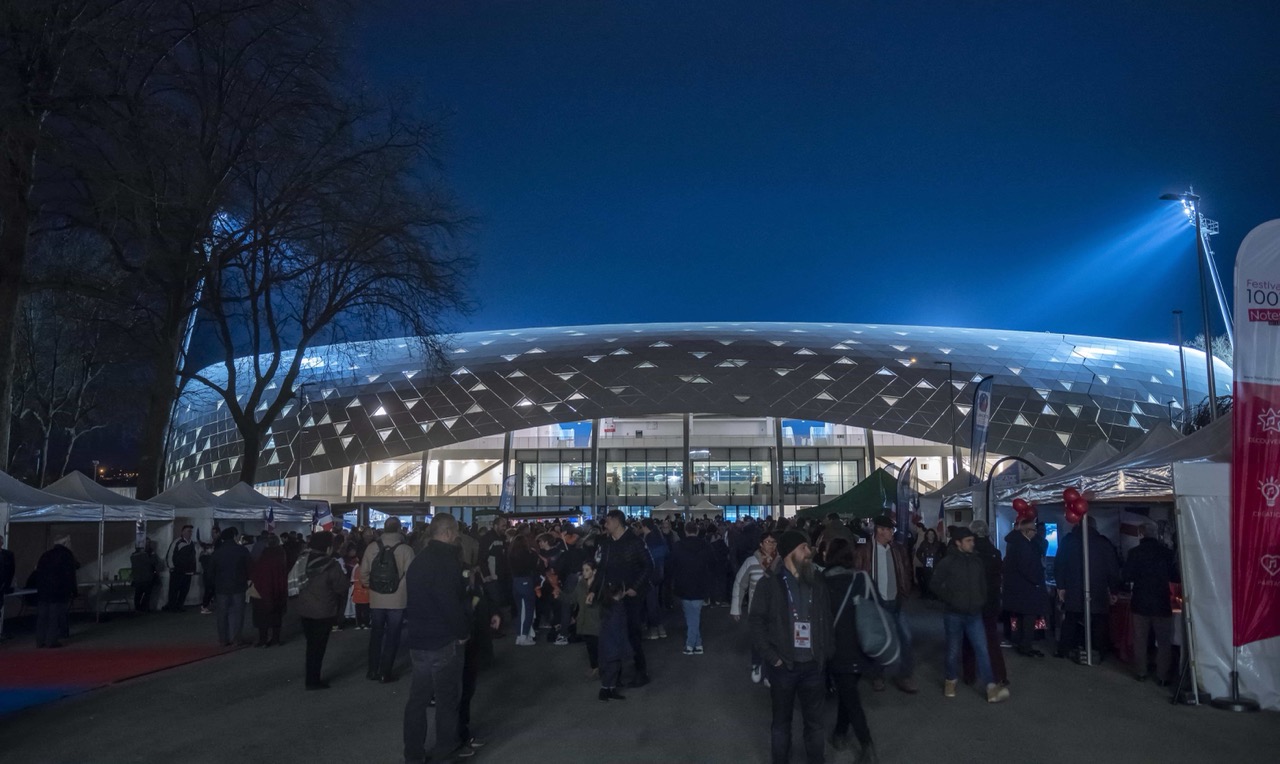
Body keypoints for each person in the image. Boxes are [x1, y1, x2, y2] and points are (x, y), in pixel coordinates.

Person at [750, 530, 833, 764]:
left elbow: (827, 618)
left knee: (815, 725)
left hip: (813, 666)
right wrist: (771, 657)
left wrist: (826, 653)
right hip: (783, 666)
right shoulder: (770, 585)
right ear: (789, 553)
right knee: (781, 724)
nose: (809, 552)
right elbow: (756, 622)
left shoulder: (817, 583)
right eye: (803, 548)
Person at [403, 514, 474, 763]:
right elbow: (450, 604)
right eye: (455, 532)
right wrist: (463, 632)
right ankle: (446, 748)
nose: (457, 537)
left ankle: (413, 753)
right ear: (446, 532)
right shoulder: (446, 562)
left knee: (418, 700)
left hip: (418, 639)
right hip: (442, 641)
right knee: (447, 700)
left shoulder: (419, 560)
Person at [932, 527, 1010, 703]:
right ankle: (950, 681)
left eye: (972, 540)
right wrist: (950, 598)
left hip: (974, 613)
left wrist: (980, 600)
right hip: (954, 614)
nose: (972, 543)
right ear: (958, 543)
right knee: (953, 649)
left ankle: (991, 688)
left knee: (982, 649)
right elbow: (935, 584)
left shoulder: (976, 561)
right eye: (968, 541)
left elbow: (982, 583)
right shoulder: (948, 562)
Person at [822, 538, 877, 764]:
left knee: (851, 696)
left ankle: (867, 745)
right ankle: (840, 733)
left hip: (837, 648)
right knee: (849, 690)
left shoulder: (822, 582)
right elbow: (877, 607)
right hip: (863, 645)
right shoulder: (862, 578)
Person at [852, 515, 918, 693]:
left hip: (895, 600)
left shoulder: (897, 550)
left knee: (906, 638)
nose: (892, 533)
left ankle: (904, 675)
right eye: (889, 530)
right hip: (875, 602)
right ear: (880, 530)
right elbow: (858, 575)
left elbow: (905, 571)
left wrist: (904, 591)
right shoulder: (864, 551)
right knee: (877, 640)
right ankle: (877, 675)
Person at [592, 509, 652, 687]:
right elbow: (601, 568)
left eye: (608, 521)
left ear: (617, 521)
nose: (605, 524)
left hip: (631, 596)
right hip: (612, 595)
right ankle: (614, 674)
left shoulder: (634, 542)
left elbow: (648, 566)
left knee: (633, 633)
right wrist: (594, 591)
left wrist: (635, 587)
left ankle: (640, 672)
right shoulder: (607, 543)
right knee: (613, 634)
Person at [1055, 516, 1120, 662]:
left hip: (1073, 588)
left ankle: (1064, 649)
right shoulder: (1103, 543)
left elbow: (1059, 565)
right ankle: (1098, 652)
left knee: (1071, 620)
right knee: (1098, 622)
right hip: (1098, 590)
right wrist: (1114, 590)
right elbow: (1112, 569)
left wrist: (1061, 586)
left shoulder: (1067, 541)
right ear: (1094, 525)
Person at [1123, 522, 1178, 684]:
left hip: (1140, 602)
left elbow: (1126, 576)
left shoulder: (1134, 553)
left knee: (1140, 639)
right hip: (1161, 602)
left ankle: (1141, 672)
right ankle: (1162, 675)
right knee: (1163, 641)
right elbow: (1175, 577)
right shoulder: (1167, 553)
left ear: (1142, 533)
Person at [361, 517, 415, 682]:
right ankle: (385, 672)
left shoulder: (372, 547)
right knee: (393, 635)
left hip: (376, 599)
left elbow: (363, 573)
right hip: (397, 600)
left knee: (376, 634)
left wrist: (371, 586)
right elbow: (411, 575)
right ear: (399, 529)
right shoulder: (406, 549)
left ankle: (372, 669)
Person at [293, 531, 347, 689]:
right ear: (328, 547)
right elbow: (341, 587)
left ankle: (311, 677)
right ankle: (313, 680)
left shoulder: (301, 560)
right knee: (318, 647)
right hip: (323, 611)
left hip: (304, 609)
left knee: (311, 645)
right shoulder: (330, 565)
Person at [961, 521, 1008, 687]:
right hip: (992, 602)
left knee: (969, 640)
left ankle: (969, 675)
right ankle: (999, 674)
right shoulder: (995, 552)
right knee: (991, 639)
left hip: (973, 602)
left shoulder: (971, 553)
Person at [732, 532, 778, 684]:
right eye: (767, 541)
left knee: (774, 640)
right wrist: (736, 608)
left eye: (773, 541)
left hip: (776, 610)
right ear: (761, 543)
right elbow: (740, 583)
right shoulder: (751, 562)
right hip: (756, 610)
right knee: (758, 639)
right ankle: (757, 664)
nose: (770, 544)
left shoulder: (781, 562)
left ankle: (768, 671)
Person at [668, 521, 716, 655]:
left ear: (685, 531)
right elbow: (713, 563)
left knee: (691, 615)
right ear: (697, 530)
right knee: (694, 614)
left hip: (683, 584)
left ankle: (691, 644)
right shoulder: (706, 545)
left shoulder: (678, 546)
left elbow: (671, 564)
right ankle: (697, 643)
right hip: (701, 584)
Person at [1002, 516, 1047, 657]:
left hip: (1018, 589)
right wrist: (1037, 581)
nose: (1036, 533)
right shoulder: (1024, 546)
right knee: (1029, 618)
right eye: (1034, 530)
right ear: (1027, 531)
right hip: (1027, 589)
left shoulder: (1016, 544)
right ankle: (1026, 645)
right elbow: (1027, 568)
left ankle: (1021, 643)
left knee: (1021, 618)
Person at [207, 527, 251, 647]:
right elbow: (249, 568)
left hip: (221, 587)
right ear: (234, 536)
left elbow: (210, 572)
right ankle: (236, 639)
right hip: (238, 586)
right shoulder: (242, 550)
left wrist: (214, 585)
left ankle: (223, 639)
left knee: (222, 614)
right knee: (238, 613)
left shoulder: (217, 552)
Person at [34, 535, 79, 648]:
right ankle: (51, 640)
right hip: (59, 591)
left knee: (42, 617)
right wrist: (74, 591)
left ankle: (40, 640)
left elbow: (37, 572)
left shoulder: (45, 555)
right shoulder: (67, 556)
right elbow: (70, 575)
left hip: (44, 591)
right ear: (65, 544)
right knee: (55, 617)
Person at [249, 533, 288, 646]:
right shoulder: (281, 553)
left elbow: (257, 571)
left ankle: (263, 640)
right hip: (278, 588)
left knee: (262, 616)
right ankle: (275, 639)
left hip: (262, 588)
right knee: (277, 616)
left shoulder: (264, 554)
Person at [479, 514, 511, 633]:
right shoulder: (487, 539)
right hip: (492, 577)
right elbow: (482, 558)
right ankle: (494, 629)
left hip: (501, 576)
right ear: (495, 525)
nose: (505, 527)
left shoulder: (502, 539)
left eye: (505, 525)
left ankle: (498, 627)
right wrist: (486, 574)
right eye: (503, 525)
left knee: (498, 603)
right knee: (494, 603)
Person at [508, 533, 539, 645]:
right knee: (528, 610)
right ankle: (523, 635)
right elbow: (534, 564)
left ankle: (521, 635)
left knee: (521, 610)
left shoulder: (511, 554)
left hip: (515, 581)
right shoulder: (528, 554)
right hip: (526, 582)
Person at [574, 559, 602, 678]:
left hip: (596, 621)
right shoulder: (581, 584)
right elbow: (573, 598)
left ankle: (599, 667)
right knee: (590, 646)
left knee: (597, 645)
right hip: (585, 621)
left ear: (594, 571)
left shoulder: (599, 586)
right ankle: (595, 666)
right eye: (583, 570)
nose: (584, 573)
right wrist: (560, 595)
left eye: (587, 570)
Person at [163, 524, 198, 611]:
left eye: (191, 531)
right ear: (182, 532)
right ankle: (171, 606)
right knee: (174, 589)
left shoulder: (191, 543)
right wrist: (171, 567)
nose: (190, 533)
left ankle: (179, 606)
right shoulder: (177, 542)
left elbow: (193, 557)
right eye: (188, 531)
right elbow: (170, 555)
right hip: (177, 571)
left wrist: (193, 569)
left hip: (188, 571)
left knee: (184, 590)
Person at [129, 539, 162, 612]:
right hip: (147, 577)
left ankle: (139, 608)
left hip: (139, 577)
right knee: (146, 594)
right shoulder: (147, 554)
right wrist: (152, 555)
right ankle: (143, 608)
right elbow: (153, 562)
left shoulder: (134, 555)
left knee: (139, 594)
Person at [914, 529, 943, 599]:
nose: (931, 536)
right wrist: (923, 560)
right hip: (928, 563)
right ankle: (928, 594)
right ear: (926, 535)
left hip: (936, 564)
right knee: (927, 579)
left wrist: (940, 561)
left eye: (932, 534)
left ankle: (935, 595)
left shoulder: (938, 544)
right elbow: (918, 553)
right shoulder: (924, 543)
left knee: (936, 579)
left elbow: (943, 553)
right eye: (929, 534)